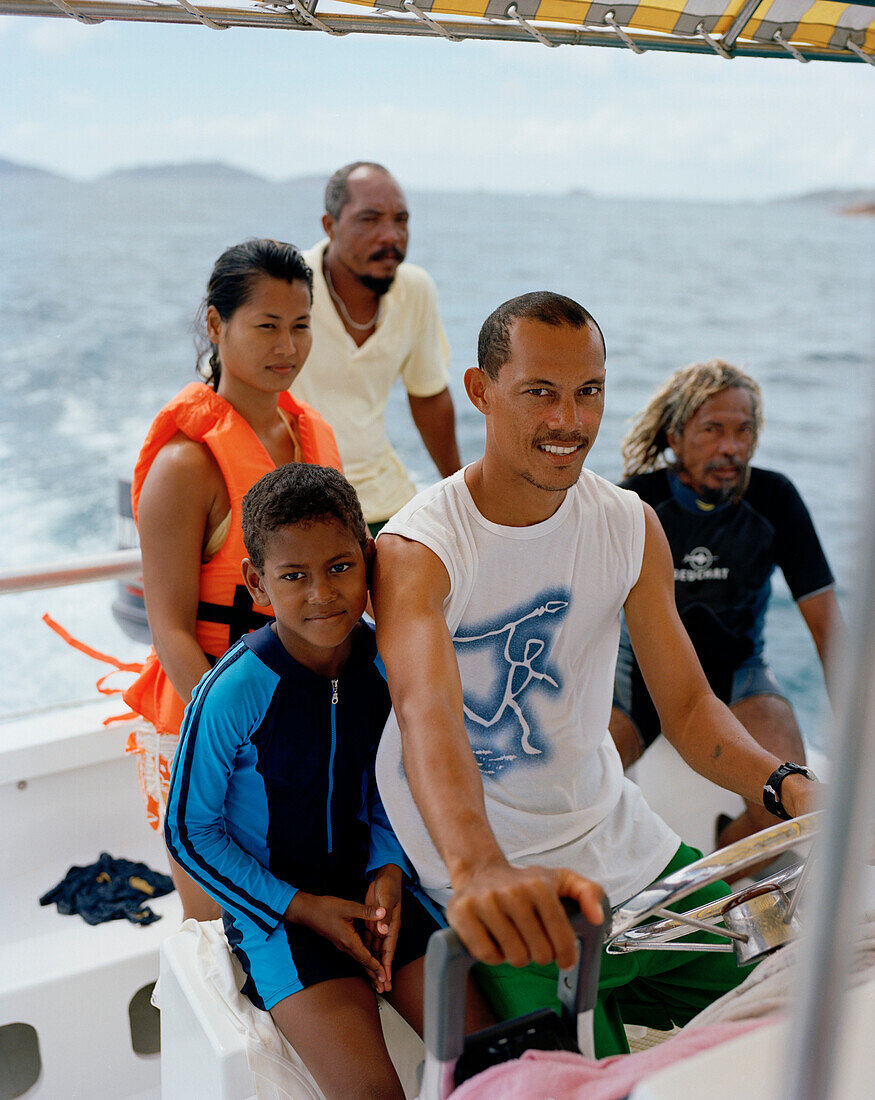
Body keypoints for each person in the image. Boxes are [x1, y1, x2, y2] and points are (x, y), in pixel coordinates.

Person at [372, 292, 821, 1057]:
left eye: (588, 392)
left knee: (798, 1007)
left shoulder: (627, 524)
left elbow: (685, 706)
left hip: (626, 848)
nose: (569, 421)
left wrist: (787, 786)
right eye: (539, 393)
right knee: (581, 1073)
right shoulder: (421, 545)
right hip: (501, 881)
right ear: (480, 392)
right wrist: (478, 867)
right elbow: (426, 714)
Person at [164, 464, 489, 1098]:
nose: (323, 594)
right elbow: (188, 831)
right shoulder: (234, 690)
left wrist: (389, 869)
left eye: (341, 567)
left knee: (498, 1063)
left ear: (369, 561)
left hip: (379, 898)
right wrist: (303, 908)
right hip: (281, 918)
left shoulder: (389, 662)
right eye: (294, 576)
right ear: (258, 583)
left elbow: (390, 781)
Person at [123, 239, 342, 922]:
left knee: (305, 932)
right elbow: (170, 630)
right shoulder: (185, 467)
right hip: (208, 729)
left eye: (301, 325)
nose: (288, 346)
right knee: (221, 943)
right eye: (266, 326)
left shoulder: (315, 439)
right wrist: (245, 744)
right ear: (217, 327)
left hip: (305, 720)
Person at [610, 360, 844, 852]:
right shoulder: (634, 501)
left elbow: (829, 630)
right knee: (575, 795)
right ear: (674, 435)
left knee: (788, 814)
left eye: (743, 431)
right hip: (639, 683)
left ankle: (715, 868)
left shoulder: (774, 498)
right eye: (712, 430)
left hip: (739, 674)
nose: (731, 448)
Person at [291, 161, 462, 535]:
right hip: (292, 504)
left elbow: (429, 396)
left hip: (384, 500)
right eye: (370, 220)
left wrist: (464, 497)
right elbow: (229, 395)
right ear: (329, 226)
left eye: (401, 220)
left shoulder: (415, 290)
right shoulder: (286, 288)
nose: (391, 236)